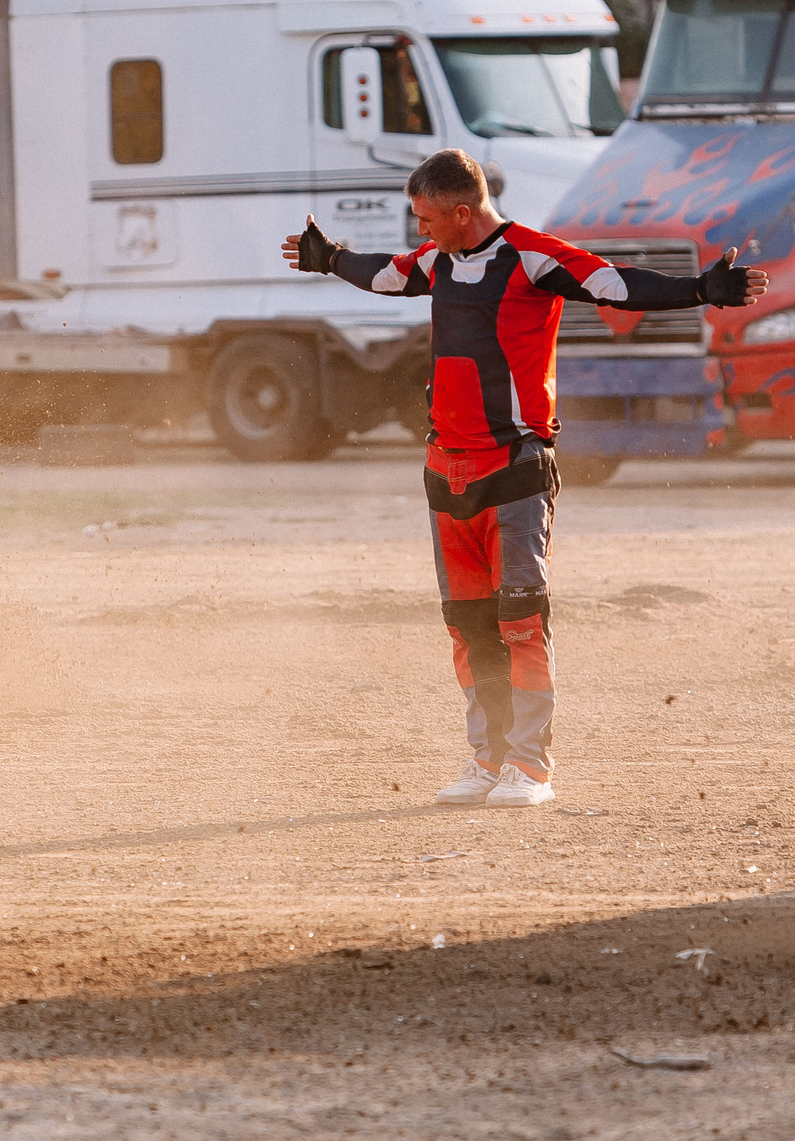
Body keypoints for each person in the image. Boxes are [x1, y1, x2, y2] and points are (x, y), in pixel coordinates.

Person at [281, 149, 766, 808]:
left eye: (425, 219)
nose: (418, 232)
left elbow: (613, 283)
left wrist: (701, 290)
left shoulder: (532, 257)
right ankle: (488, 758)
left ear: (462, 212)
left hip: (515, 468)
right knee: (469, 625)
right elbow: (384, 276)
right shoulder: (437, 262)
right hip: (445, 470)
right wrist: (329, 255)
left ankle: (530, 767)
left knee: (520, 621)